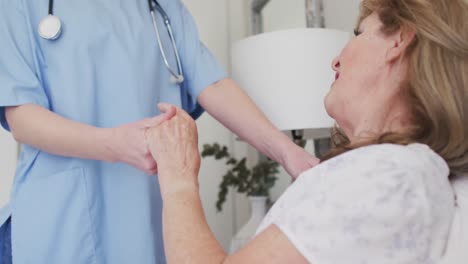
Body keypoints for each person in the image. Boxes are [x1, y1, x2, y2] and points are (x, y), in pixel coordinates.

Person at [146, 0, 468, 263]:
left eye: (356, 34)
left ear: (398, 40)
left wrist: (178, 179)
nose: (335, 61)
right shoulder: (386, 171)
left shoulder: (391, 172)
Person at [0, 0, 316, 263]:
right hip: (62, 216)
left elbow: (213, 84)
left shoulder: (160, 5)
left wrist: (289, 152)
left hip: (146, 214)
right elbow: (22, 117)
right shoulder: (20, 5)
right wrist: (114, 144)